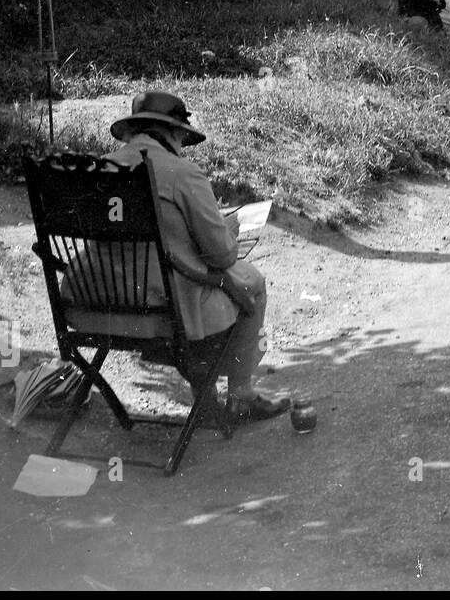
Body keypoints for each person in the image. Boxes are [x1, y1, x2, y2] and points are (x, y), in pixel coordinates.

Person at [61, 91, 289, 423]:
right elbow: (222, 255)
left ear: (135, 130)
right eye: (181, 136)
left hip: (91, 306)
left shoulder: (100, 170)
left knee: (195, 286)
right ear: (173, 132)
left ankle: (205, 399)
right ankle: (240, 395)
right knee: (251, 282)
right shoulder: (182, 173)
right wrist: (227, 230)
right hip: (164, 312)